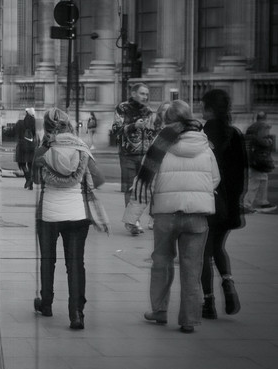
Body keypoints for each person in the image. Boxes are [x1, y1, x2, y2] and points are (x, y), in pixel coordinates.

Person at [131, 100, 220, 333]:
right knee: (192, 267)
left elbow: (145, 182)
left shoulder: (159, 146)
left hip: (165, 213)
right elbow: (214, 179)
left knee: (161, 262)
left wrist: (134, 213)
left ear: (167, 122)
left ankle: (159, 310)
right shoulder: (206, 147)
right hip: (197, 215)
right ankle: (189, 320)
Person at [32, 108, 106, 330]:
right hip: (76, 213)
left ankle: (46, 303)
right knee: (75, 264)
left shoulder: (42, 151)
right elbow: (100, 179)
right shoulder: (81, 148)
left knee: (48, 259)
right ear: (68, 125)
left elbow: (36, 179)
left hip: (48, 213)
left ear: (46, 127)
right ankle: (76, 313)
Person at [200, 89, 247, 319]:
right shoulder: (235, 134)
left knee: (203, 253)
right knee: (219, 247)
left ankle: (208, 302)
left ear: (209, 108)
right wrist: (236, 201)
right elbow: (242, 173)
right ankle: (228, 283)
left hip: (209, 201)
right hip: (229, 204)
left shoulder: (203, 133)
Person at [112, 83, 156, 235]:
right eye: (142, 93)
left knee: (145, 188)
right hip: (128, 154)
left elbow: (152, 133)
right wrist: (133, 126)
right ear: (133, 93)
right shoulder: (122, 108)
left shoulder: (148, 111)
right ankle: (132, 222)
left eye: (146, 94)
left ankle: (140, 218)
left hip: (145, 155)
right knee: (130, 187)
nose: (145, 96)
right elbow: (115, 131)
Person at [243, 111, 276, 213]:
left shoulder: (251, 127)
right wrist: (269, 142)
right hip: (260, 158)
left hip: (253, 158)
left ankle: (262, 201)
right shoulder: (263, 127)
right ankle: (247, 204)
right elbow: (263, 141)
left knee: (260, 180)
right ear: (265, 118)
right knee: (257, 181)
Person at [14, 108, 37, 190]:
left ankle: (28, 179)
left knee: (22, 164)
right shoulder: (34, 122)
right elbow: (35, 134)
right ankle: (30, 183)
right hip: (31, 145)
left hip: (21, 145)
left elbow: (15, 132)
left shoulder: (20, 123)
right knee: (30, 164)